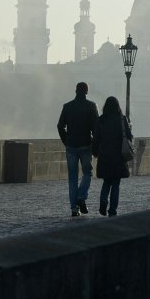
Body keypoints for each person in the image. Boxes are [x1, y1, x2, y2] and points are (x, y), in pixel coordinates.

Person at [57, 82, 99, 216]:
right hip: (86, 144)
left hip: (71, 146)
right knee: (88, 173)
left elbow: (60, 126)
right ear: (86, 91)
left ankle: (74, 208)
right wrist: (95, 143)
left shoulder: (67, 106)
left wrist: (66, 140)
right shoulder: (91, 106)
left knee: (72, 178)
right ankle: (81, 196)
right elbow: (96, 128)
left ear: (76, 91)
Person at [92, 96, 132, 217]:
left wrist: (95, 152)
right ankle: (112, 210)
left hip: (104, 155)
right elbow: (129, 136)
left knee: (107, 181)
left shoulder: (101, 120)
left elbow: (96, 138)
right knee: (116, 183)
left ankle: (103, 200)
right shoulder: (122, 119)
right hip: (118, 155)